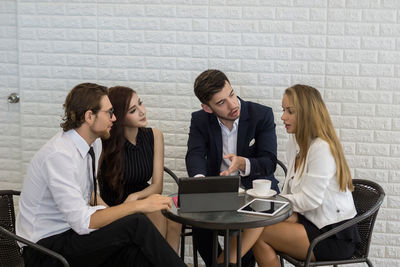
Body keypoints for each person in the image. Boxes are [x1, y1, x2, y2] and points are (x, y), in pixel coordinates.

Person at [16, 83, 186, 267]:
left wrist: (121, 212)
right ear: (90, 116)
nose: (114, 118)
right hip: (44, 249)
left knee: (134, 253)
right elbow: (83, 222)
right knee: (136, 222)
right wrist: (139, 205)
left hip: (71, 234)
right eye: (109, 112)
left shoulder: (94, 144)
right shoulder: (59, 155)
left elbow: (87, 196)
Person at [220, 84, 360, 266]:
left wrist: (271, 201)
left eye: (290, 111)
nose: (283, 116)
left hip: (333, 234)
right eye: (283, 110)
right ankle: (225, 263)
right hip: (310, 220)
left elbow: (310, 201)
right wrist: (267, 205)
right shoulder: (295, 143)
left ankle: (224, 264)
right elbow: (291, 192)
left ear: (307, 114)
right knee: (257, 222)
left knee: (259, 230)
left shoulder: (321, 148)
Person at [185, 69, 278, 267]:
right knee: (198, 224)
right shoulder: (200, 119)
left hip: (256, 192)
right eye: (221, 103)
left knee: (249, 227)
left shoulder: (261, 115)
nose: (233, 104)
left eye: (232, 94)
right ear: (207, 108)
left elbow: (269, 161)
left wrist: (243, 163)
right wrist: (200, 182)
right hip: (219, 190)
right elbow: (195, 154)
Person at [98, 86, 181, 253]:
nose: (142, 112)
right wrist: (107, 211)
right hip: (115, 207)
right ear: (119, 116)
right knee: (157, 211)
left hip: (143, 199)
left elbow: (157, 186)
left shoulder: (155, 135)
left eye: (140, 104)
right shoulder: (103, 142)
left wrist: (135, 197)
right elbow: (87, 187)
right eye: (133, 110)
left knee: (173, 216)